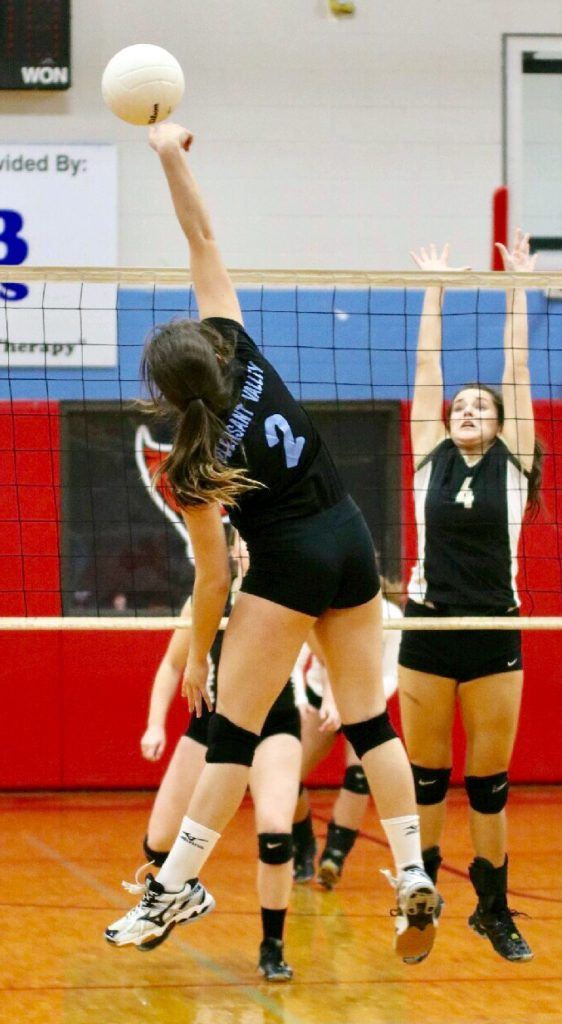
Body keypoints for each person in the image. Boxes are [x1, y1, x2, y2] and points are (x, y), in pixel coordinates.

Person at [104, 121, 440, 965]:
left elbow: (213, 578)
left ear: (167, 395)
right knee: (369, 723)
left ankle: (177, 882)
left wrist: (197, 658)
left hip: (286, 562)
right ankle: (408, 873)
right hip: (352, 539)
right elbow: (202, 236)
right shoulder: (240, 349)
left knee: (234, 732)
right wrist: (169, 154)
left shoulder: (194, 461)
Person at [398, 233, 541, 962]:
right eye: (462, 406)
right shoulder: (430, 456)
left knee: (488, 786)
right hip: (427, 627)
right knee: (427, 781)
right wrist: (437, 290)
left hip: (493, 629)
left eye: (481, 408)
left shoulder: (517, 465)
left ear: (500, 423)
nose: (468, 409)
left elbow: (518, 370)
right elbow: (428, 369)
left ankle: (493, 908)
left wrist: (518, 287)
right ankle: (419, 898)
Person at [134, 533, 301, 981]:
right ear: (231, 549)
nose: (250, 547)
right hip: (208, 728)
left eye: (255, 539)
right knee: (158, 843)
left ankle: (273, 946)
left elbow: (328, 646)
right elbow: (173, 665)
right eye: (244, 541)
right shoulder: (209, 602)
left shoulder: (289, 596)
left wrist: (344, 697)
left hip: (272, 725)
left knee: (275, 833)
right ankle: (171, 899)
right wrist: (154, 724)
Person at [292, 591, 403, 888]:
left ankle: (334, 858)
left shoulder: (391, 615)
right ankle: (303, 844)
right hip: (319, 698)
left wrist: (364, 699)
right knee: (287, 778)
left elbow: (392, 675)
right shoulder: (322, 605)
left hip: (364, 702)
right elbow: (296, 659)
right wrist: (301, 699)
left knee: (359, 776)